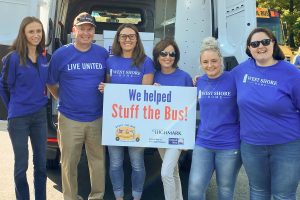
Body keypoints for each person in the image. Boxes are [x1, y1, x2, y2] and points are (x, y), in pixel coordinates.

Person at [231, 27, 300, 199]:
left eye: (265, 41)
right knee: (258, 192)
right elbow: (219, 82)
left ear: (273, 43)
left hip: (287, 145)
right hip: (252, 146)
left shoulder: (291, 73)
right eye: (254, 43)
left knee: (283, 195)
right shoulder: (240, 71)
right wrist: (198, 81)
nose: (260, 46)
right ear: (249, 49)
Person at [47, 12, 108, 200]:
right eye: (82, 28)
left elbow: (109, 81)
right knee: (68, 163)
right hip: (69, 119)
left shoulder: (103, 54)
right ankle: (71, 197)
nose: (86, 33)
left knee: (97, 162)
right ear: (74, 30)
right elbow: (51, 83)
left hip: (96, 118)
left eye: (89, 29)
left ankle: (96, 196)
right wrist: (63, 98)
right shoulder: (61, 54)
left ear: (94, 32)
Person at [99, 23, 155, 200]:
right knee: (115, 163)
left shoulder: (146, 62)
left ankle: (136, 197)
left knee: (137, 163)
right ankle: (119, 197)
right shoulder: (110, 61)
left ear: (137, 39)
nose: (127, 39)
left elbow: (145, 93)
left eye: (131, 36)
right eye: (123, 36)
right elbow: (109, 91)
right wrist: (104, 88)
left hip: (137, 122)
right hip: (114, 120)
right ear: (118, 39)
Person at [0, 17, 48, 200]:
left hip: (40, 116)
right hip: (19, 118)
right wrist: (13, 107)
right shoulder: (13, 58)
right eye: (31, 31)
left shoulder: (44, 57)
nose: (36, 35)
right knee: (21, 166)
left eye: (39, 31)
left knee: (41, 165)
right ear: (23, 34)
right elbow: (3, 86)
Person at [188, 37, 242, 200]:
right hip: (203, 143)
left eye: (214, 61)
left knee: (225, 190)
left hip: (229, 145)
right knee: (195, 189)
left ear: (221, 60)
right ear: (200, 63)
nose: (210, 65)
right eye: (205, 62)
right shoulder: (199, 82)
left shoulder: (233, 79)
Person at [152, 39, 192, 200]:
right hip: (160, 132)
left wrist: (187, 140)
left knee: (165, 173)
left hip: (178, 132)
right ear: (157, 55)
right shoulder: (153, 76)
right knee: (173, 171)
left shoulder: (184, 77)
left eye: (172, 54)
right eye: (164, 53)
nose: (168, 57)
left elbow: (190, 109)